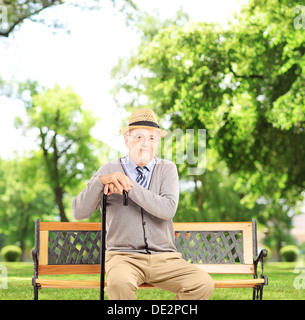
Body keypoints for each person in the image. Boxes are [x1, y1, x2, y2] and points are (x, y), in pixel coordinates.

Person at [72, 108, 214, 300]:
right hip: (123, 257)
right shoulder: (108, 170)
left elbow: (167, 209)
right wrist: (100, 181)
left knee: (202, 284)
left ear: (158, 142)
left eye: (152, 138)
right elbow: (78, 212)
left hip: (165, 258)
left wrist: (128, 187)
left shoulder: (167, 169)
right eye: (139, 137)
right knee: (119, 284)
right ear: (126, 140)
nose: (146, 144)